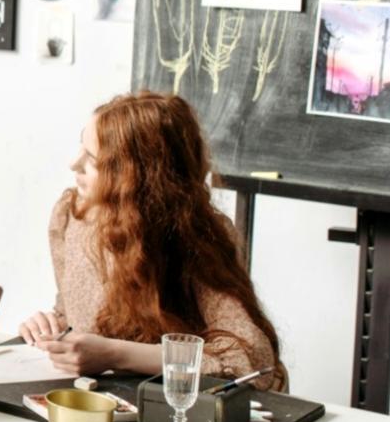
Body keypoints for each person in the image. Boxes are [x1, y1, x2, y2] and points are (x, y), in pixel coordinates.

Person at [18, 92, 286, 389]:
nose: (73, 164)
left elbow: (249, 359)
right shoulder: (70, 215)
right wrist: (50, 326)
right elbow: (73, 312)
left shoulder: (193, 234)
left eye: (93, 159)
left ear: (135, 177)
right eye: (81, 145)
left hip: (170, 409)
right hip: (95, 400)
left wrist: (115, 354)